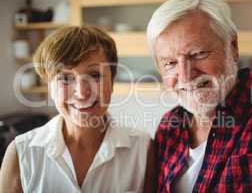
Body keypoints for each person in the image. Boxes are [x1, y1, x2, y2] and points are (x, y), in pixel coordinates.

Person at [147, 0, 252, 192]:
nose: (186, 76)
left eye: (198, 54)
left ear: (233, 46)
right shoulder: (168, 126)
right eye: (170, 63)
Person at [0, 26, 152, 193]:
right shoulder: (20, 153)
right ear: (49, 87)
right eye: (65, 78)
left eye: (95, 75)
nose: (81, 92)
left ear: (112, 80)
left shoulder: (144, 149)